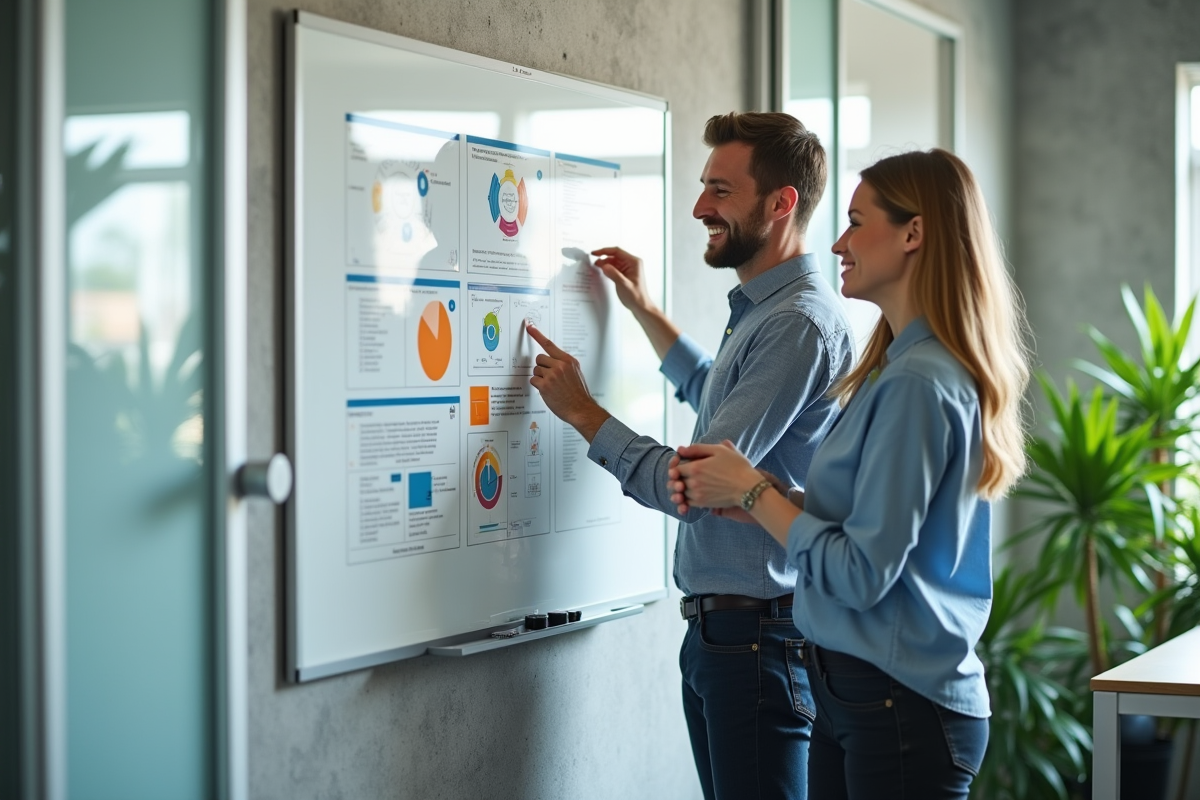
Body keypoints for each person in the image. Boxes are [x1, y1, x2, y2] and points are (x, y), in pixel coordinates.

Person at [667, 148, 1031, 800]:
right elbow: (876, 523)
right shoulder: (898, 371)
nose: (838, 240)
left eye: (859, 222)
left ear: (913, 234)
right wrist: (785, 496)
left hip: (900, 705)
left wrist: (752, 493)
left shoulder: (919, 384)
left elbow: (862, 571)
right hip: (860, 693)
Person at [524, 112, 854, 800]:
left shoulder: (797, 321)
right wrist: (644, 308)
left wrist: (584, 412)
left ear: (781, 202)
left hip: (759, 639)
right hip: (730, 637)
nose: (701, 206)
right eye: (704, 186)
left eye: (721, 191)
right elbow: (714, 392)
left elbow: (699, 482)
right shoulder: (766, 312)